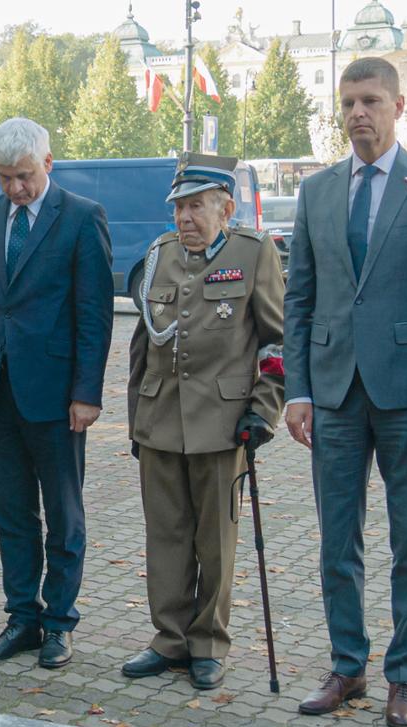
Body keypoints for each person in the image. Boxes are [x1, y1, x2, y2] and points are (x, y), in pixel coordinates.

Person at [282, 57, 407, 727]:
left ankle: (404, 676)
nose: (358, 112)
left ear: (397, 107)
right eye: (349, 102)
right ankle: (347, 666)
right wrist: (297, 389)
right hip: (333, 392)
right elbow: (298, 299)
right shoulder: (319, 191)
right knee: (338, 540)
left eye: (371, 101)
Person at [121, 153, 285, 691]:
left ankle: (209, 643)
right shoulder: (159, 256)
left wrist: (264, 409)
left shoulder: (254, 254)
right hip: (161, 419)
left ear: (226, 208)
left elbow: (277, 342)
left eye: (196, 207)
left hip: (223, 424)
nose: (185, 218)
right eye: (179, 208)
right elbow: (141, 347)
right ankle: (169, 639)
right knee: (166, 536)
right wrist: (135, 422)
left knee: (215, 541)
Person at [0, 117, 112, 669]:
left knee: (64, 516)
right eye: (4, 178)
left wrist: (87, 393)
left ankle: (59, 624)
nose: (15, 188)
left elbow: (94, 314)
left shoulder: (82, 219)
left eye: (23, 176)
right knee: (11, 514)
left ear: (48, 163)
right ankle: (22, 616)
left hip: (57, 396)